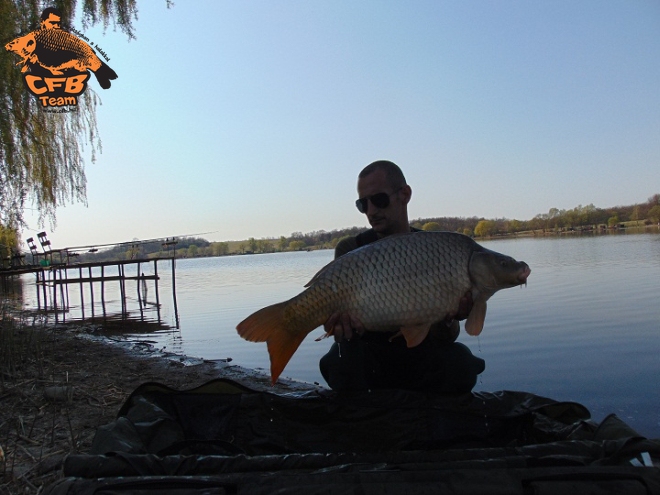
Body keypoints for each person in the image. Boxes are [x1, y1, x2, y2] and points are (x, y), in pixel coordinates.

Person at [319, 160, 485, 393]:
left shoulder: (436, 249)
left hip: (420, 355)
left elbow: (448, 337)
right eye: (362, 204)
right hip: (371, 357)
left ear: (404, 194)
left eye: (378, 200)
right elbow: (339, 335)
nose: (371, 211)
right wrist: (342, 331)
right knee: (340, 363)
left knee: (462, 364)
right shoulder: (350, 250)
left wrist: (450, 318)